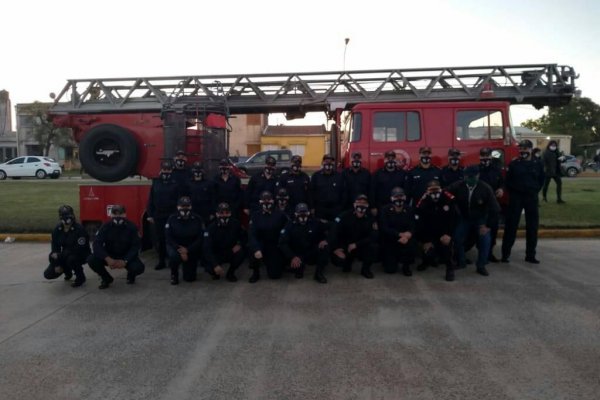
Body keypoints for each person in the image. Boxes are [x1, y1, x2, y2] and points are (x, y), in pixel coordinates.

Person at [448, 165, 500, 276]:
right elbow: (445, 192)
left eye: (473, 176)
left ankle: (481, 266)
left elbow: (495, 209)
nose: (470, 179)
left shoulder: (486, 188)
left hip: (480, 219)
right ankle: (461, 262)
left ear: (478, 175)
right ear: (464, 176)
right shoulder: (458, 185)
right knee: (457, 238)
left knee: (485, 240)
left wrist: (487, 226)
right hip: (465, 218)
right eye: (468, 176)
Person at [501, 140, 545, 264]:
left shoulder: (538, 163)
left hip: (531, 197)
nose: (523, 151)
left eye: (525, 149)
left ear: (531, 149)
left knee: (532, 227)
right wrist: (515, 192)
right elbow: (508, 181)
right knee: (511, 226)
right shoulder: (514, 164)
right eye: (521, 149)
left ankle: (530, 255)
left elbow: (541, 179)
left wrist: (535, 190)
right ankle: (505, 255)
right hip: (516, 197)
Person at [87, 205, 145, 289]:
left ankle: (131, 275)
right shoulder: (105, 227)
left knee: (138, 268)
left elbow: (136, 246)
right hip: (110, 255)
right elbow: (96, 244)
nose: (117, 216)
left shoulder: (132, 227)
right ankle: (106, 278)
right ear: (111, 215)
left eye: (120, 214)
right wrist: (107, 258)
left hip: (126, 256)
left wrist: (125, 260)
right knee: (91, 259)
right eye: (115, 214)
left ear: (125, 214)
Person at [415, 180, 459, 281]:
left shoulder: (449, 199)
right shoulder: (423, 200)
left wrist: (448, 234)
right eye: (431, 190)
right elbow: (420, 221)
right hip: (430, 232)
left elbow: (454, 219)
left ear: (441, 189)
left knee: (447, 248)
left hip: (444, 231)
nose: (434, 193)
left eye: (437, 190)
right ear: (427, 191)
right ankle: (426, 261)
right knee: (427, 249)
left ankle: (450, 268)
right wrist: (426, 240)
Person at [329, 194, 377, 279]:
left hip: (360, 246)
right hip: (346, 246)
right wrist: (335, 248)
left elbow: (374, 236)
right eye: (359, 202)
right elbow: (334, 231)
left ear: (367, 205)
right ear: (354, 204)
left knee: (373, 247)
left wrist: (356, 244)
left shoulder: (370, 217)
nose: (361, 205)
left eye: (364, 203)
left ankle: (365, 270)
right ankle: (348, 262)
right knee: (339, 261)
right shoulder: (345, 215)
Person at [279, 203, 329, 283]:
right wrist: (292, 256)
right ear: (295, 213)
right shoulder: (290, 225)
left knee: (325, 247)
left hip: (311, 251)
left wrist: (326, 240)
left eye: (304, 212)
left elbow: (332, 226)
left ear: (308, 213)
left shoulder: (315, 222)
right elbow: (282, 243)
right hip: (297, 254)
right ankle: (298, 268)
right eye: (300, 212)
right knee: (298, 272)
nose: (302, 215)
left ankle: (318, 274)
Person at [147, 160, 182, 270]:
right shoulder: (156, 182)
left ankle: (174, 260)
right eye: (164, 169)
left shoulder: (176, 183)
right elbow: (151, 200)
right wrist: (150, 214)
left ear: (171, 170)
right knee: (160, 239)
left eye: (168, 169)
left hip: (172, 215)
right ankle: (161, 261)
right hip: (159, 215)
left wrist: (178, 214)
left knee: (174, 238)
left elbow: (179, 200)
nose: (166, 171)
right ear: (161, 170)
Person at [43, 205, 89, 287]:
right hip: (65, 254)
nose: (66, 218)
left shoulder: (79, 229)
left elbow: (80, 248)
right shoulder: (58, 229)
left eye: (67, 215)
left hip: (80, 254)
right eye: (63, 216)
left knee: (71, 259)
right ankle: (67, 271)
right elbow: (55, 246)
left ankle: (80, 277)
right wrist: (57, 263)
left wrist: (61, 256)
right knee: (48, 273)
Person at [247, 191, 288, 282]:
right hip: (261, 243)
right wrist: (256, 248)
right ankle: (255, 272)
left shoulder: (280, 215)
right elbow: (251, 234)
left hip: (274, 244)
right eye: (264, 200)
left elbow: (287, 230)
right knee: (251, 248)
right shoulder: (255, 215)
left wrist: (281, 244)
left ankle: (280, 264)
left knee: (275, 275)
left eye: (269, 200)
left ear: (273, 201)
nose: (266, 202)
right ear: (260, 201)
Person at [203, 202, 246, 282]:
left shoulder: (235, 223)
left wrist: (239, 244)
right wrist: (215, 265)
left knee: (241, 253)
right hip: (217, 253)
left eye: (227, 213)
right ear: (217, 214)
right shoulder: (211, 227)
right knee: (209, 268)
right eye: (221, 213)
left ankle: (231, 273)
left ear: (230, 213)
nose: (224, 215)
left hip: (230, 251)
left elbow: (244, 237)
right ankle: (216, 272)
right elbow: (207, 248)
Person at [165, 196, 204, 285]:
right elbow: (168, 237)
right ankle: (174, 274)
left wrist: (188, 250)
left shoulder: (197, 219)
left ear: (191, 207)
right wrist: (180, 249)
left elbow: (200, 237)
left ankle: (187, 267)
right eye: (182, 206)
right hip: (176, 246)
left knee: (190, 278)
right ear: (178, 207)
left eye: (187, 206)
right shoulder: (172, 219)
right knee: (174, 257)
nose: (185, 208)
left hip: (191, 247)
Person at [379, 187, 417, 277]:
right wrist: (399, 234)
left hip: (405, 239)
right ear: (392, 198)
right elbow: (384, 227)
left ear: (404, 198)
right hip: (391, 239)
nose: (399, 199)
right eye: (396, 197)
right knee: (390, 270)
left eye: (401, 196)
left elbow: (413, 225)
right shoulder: (385, 210)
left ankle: (406, 266)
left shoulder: (409, 209)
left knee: (412, 244)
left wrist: (409, 234)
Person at [478, 147, 505, 262]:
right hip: (480, 206)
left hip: (493, 205)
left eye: (487, 155)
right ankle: (481, 253)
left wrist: (501, 189)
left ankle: (490, 253)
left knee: (493, 229)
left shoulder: (496, 169)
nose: (485, 158)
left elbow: (502, 182)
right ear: (480, 157)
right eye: (483, 156)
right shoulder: (476, 170)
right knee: (480, 230)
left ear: (490, 156)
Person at [310, 154, 345, 224]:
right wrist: (312, 207)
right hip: (320, 209)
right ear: (322, 162)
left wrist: (341, 207)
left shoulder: (339, 176)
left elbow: (344, 193)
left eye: (331, 161)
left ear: (334, 163)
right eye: (326, 161)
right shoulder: (316, 176)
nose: (328, 163)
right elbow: (311, 192)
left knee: (334, 229)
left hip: (335, 209)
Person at [370, 150, 406, 215]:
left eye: (392, 158)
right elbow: (372, 191)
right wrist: (373, 206)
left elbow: (406, 190)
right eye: (388, 158)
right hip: (381, 208)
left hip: (398, 207)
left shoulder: (402, 173)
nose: (390, 160)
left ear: (395, 160)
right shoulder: (377, 174)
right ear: (385, 160)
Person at [187, 162, 216, 227]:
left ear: (203, 171)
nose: (197, 172)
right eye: (196, 170)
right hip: (192, 212)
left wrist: (212, 213)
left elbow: (213, 198)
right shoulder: (188, 183)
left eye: (199, 170)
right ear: (193, 171)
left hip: (205, 213)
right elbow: (186, 198)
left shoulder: (209, 183)